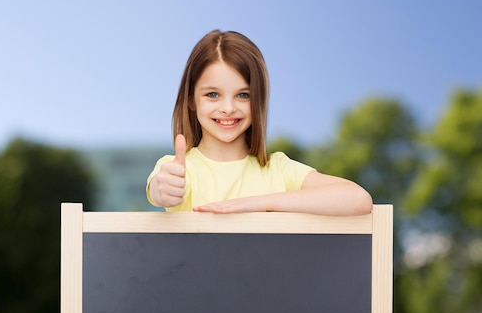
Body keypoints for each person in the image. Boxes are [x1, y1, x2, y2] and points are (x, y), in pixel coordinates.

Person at [146, 30, 372, 215]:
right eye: (212, 95)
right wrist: (162, 189)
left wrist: (260, 203)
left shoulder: (278, 170)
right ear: (191, 101)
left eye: (243, 95)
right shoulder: (179, 170)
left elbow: (358, 199)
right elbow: (159, 189)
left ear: (259, 101)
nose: (227, 108)